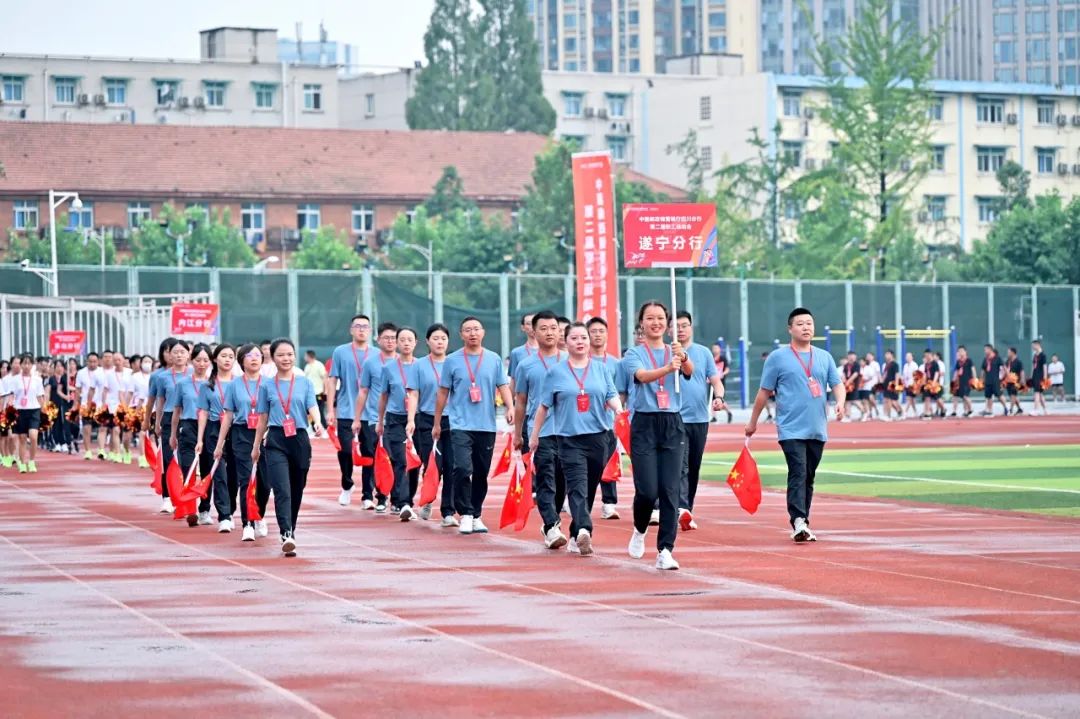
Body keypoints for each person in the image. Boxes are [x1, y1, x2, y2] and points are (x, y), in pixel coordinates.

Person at [746, 308, 845, 543]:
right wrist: (753, 422)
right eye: (800, 324)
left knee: (808, 475)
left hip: (817, 428)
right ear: (790, 329)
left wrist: (840, 402)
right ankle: (798, 520)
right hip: (790, 428)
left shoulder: (824, 357)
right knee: (798, 470)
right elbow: (764, 392)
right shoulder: (777, 358)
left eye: (809, 323)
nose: (806, 327)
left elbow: (837, 384)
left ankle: (803, 521)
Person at [529, 322, 624, 556]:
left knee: (589, 486)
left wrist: (619, 411)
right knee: (577, 485)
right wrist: (535, 435)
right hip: (569, 439)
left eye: (584, 337)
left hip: (599, 437)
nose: (580, 342)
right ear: (566, 341)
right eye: (574, 338)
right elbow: (543, 407)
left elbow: (611, 396)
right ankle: (584, 529)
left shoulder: (601, 369)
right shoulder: (555, 373)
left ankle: (575, 533)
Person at [432, 316, 515, 536]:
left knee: (481, 472)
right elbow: (443, 392)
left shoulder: (493, 359)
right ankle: (466, 514)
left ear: (483, 332)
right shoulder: (452, 360)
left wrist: (510, 407)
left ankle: (476, 514)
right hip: (460, 424)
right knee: (461, 468)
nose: (472, 333)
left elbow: (503, 386)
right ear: (461, 335)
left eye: (476, 329)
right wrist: (437, 422)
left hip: (486, 425)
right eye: (468, 330)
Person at [622, 301, 686, 570]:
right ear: (642, 323)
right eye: (650, 318)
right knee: (648, 490)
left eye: (660, 318)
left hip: (672, 422)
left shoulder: (676, 350)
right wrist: (669, 368)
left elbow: (690, 372)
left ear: (667, 323)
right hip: (645, 423)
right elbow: (642, 376)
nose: (656, 323)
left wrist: (683, 358)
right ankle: (640, 529)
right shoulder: (633, 353)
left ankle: (665, 550)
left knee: (670, 490)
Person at [252, 338, 324, 556]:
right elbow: (262, 418)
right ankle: (286, 533)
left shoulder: (304, 383)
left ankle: (291, 526)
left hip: (299, 438)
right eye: (281, 355)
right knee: (281, 488)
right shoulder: (266, 385)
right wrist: (256, 446)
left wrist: (318, 422)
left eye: (290, 354)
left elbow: (312, 405)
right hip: (275, 439)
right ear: (273, 358)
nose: (286, 358)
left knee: (297, 488)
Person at [513, 311, 568, 549]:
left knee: (563, 480)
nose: (549, 332)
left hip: (568, 430)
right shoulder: (526, 365)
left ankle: (552, 521)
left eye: (553, 328)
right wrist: (517, 434)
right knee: (546, 478)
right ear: (534, 333)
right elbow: (521, 401)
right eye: (543, 328)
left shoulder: (570, 360)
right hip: (540, 431)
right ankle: (551, 525)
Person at [674, 311, 725, 531]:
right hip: (676, 418)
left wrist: (719, 397)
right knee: (682, 466)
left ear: (691, 327)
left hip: (699, 418)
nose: (680, 329)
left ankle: (687, 509)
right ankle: (681, 507)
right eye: (676, 326)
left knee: (693, 467)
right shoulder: (667, 353)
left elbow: (715, 381)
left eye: (684, 325)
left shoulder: (703, 353)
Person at [214, 343, 270, 542]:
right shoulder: (234, 385)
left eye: (257, 355)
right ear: (241, 361)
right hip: (242, 434)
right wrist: (219, 445)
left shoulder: (269, 384)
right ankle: (248, 523)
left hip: (266, 434)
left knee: (265, 483)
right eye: (249, 355)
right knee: (246, 480)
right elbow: (228, 416)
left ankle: (259, 514)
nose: (254, 358)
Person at [407, 323, 456, 525]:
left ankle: (448, 512)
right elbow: (413, 394)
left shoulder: (454, 363)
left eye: (443, 338)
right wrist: (411, 419)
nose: (439, 342)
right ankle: (427, 499)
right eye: (435, 338)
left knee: (451, 465)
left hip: (452, 420)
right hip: (426, 420)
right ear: (427, 341)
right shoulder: (418, 365)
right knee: (433, 464)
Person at [326, 314, 373, 508]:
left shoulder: (377, 354)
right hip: (346, 410)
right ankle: (347, 483)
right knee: (344, 450)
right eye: (358, 326)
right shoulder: (340, 352)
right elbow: (332, 380)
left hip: (370, 412)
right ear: (351, 330)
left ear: (370, 331)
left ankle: (368, 495)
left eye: (365, 326)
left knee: (369, 452)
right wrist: (330, 409)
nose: (361, 329)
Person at [376, 327, 421, 521]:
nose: (406, 343)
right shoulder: (388, 368)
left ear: (416, 343)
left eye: (410, 339)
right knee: (400, 460)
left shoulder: (421, 365)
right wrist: (380, 421)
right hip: (395, 418)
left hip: (418, 418)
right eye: (402, 339)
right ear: (397, 343)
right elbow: (383, 396)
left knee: (415, 462)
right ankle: (402, 503)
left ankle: (408, 499)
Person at [354, 322, 399, 512]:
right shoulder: (370, 363)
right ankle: (380, 497)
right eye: (386, 338)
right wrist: (357, 419)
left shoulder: (404, 361)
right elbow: (363, 391)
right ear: (378, 340)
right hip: (375, 419)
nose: (390, 341)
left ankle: (398, 499)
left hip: (399, 418)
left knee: (398, 459)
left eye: (393, 338)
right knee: (379, 457)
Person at [169, 343, 214, 527]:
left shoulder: (214, 383)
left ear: (210, 362)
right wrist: (173, 434)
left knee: (207, 469)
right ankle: (190, 508)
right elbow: (176, 410)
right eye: (198, 360)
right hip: (188, 427)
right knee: (188, 468)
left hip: (209, 428)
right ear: (191, 360)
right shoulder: (182, 384)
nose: (202, 364)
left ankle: (204, 509)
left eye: (205, 360)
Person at [197, 344, 237, 533]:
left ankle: (232, 510)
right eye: (223, 356)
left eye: (231, 356)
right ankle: (224, 516)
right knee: (219, 473)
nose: (227, 359)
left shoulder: (240, 383)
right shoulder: (207, 386)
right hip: (214, 430)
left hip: (236, 431)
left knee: (234, 476)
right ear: (215, 359)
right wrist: (200, 439)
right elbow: (203, 413)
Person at [586, 316, 622, 520]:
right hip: (584, 423)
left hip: (608, 423)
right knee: (587, 465)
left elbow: (621, 392)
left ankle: (609, 503)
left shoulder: (616, 364)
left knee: (609, 463)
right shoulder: (581, 362)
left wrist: (620, 417)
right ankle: (581, 500)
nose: (597, 335)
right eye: (593, 331)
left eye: (601, 331)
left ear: (607, 335)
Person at [4, 354, 46, 473]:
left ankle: (31, 461)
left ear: (32, 365)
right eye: (24, 363)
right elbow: (12, 395)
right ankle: (22, 463)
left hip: (34, 410)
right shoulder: (14, 380)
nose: (26, 366)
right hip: (20, 411)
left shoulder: (37, 380)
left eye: (29, 363)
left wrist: (44, 410)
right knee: (22, 438)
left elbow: (40, 396)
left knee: (33, 436)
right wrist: (10, 406)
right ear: (21, 365)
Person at [75, 352, 100, 461]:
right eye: (90, 361)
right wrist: (76, 403)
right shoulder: (81, 373)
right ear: (86, 361)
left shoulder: (102, 372)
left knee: (102, 429)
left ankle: (101, 449)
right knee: (86, 428)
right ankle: (88, 451)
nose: (92, 364)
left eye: (94, 361)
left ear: (98, 362)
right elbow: (77, 389)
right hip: (86, 404)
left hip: (100, 404)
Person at [507, 313, 537, 396]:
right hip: (524, 399)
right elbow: (513, 380)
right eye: (528, 324)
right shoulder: (516, 353)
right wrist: (510, 402)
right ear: (523, 327)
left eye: (535, 323)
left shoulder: (549, 351)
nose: (532, 326)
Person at [47, 359, 73, 452]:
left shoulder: (67, 378)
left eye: (61, 366)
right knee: (55, 423)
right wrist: (47, 403)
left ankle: (64, 442)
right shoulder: (52, 379)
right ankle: (57, 442)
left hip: (64, 403)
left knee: (63, 423)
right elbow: (48, 392)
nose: (59, 368)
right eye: (57, 366)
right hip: (54, 403)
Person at [981, 345, 1006, 417]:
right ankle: (990, 410)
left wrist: (1004, 378)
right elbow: (983, 370)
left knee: (999, 395)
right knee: (988, 396)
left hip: (995, 380)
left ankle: (1006, 408)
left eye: (986, 349)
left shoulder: (997, 358)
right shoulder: (985, 359)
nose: (985, 351)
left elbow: (1004, 368)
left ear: (990, 349)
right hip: (988, 380)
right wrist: (982, 379)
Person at [304, 349, 328, 421]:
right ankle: (314, 426)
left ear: (309, 356)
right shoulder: (307, 366)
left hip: (319, 393)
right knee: (310, 412)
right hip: (310, 393)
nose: (304, 357)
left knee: (320, 411)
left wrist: (325, 391)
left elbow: (325, 378)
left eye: (305, 356)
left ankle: (323, 426)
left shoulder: (319, 365)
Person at [950, 346, 974, 418]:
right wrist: (953, 381)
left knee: (965, 396)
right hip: (959, 382)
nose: (960, 352)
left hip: (967, 381)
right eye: (959, 351)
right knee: (956, 397)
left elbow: (973, 369)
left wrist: (974, 379)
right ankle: (962, 411)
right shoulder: (958, 362)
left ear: (965, 352)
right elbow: (956, 372)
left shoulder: (969, 360)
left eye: (961, 351)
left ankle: (971, 409)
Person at [711, 343, 733, 423]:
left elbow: (727, 369)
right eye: (713, 348)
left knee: (719, 398)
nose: (715, 350)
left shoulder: (723, 358)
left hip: (720, 382)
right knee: (712, 399)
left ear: (719, 349)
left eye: (716, 348)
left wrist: (722, 374)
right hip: (712, 381)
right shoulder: (711, 358)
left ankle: (729, 412)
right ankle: (714, 416)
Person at [920, 349, 943, 420]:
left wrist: (934, 382)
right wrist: (923, 382)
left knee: (937, 399)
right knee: (927, 398)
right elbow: (925, 374)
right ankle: (928, 413)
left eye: (927, 355)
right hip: (928, 384)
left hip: (935, 385)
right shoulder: (926, 364)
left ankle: (943, 409)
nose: (926, 357)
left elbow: (937, 373)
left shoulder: (935, 363)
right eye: (925, 356)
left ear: (931, 355)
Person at [880, 350, 902, 421]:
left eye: (888, 354)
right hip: (886, 384)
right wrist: (881, 381)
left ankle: (889, 415)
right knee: (886, 400)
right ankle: (890, 414)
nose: (886, 355)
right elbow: (885, 374)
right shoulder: (886, 364)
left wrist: (896, 385)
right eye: (885, 354)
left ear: (892, 355)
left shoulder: (895, 364)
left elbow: (897, 374)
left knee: (892, 400)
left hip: (892, 384)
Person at [859, 352, 881, 420]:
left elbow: (878, 374)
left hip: (873, 384)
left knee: (870, 399)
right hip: (862, 387)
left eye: (869, 356)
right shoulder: (861, 367)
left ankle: (875, 409)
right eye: (867, 356)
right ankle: (869, 413)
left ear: (873, 356)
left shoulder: (875, 364)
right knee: (866, 400)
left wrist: (880, 383)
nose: (868, 357)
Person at [840, 352, 861, 421]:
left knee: (855, 401)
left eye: (853, 356)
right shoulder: (846, 365)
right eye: (850, 356)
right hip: (846, 386)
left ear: (855, 357)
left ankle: (864, 411)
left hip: (854, 385)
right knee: (847, 401)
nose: (851, 357)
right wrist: (844, 381)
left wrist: (848, 381)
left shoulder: (856, 365)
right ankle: (848, 416)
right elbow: (843, 373)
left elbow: (855, 374)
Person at [1004, 347, 1024, 416]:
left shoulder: (1018, 362)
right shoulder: (1007, 362)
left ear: (1013, 353)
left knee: (1013, 394)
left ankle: (1011, 410)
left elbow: (1022, 371)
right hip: (1009, 381)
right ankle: (1019, 409)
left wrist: (1022, 379)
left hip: (1016, 381)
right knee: (1012, 396)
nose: (1007, 354)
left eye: (1009, 352)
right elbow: (1005, 371)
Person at [1030, 340, 1048, 416]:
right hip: (1035, 375)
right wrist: (1031, 376)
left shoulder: (1043, 355)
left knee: (1036, 392)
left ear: (1037, 345)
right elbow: (1033, 366)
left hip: (1040, 376)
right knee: (1040, 394)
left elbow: (1045, 366)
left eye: (1033, 345)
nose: (1032, 347)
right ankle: (1045, 410)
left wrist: (1045, 377)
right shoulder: (1035, 355)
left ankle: (1036, 410)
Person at [901, 351, 919, 418]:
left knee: (909, 399)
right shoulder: (905, 366)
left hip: (913, 384)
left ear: (912, 357)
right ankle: (915, 411)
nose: (907, 358)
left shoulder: (914, 365)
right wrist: (903, 381)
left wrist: (916, 384)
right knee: (912, 399)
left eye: (909, 356)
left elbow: (917, 375)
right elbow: (904, 375)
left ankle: (905, 412)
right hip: (907, 384)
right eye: (906, 356)